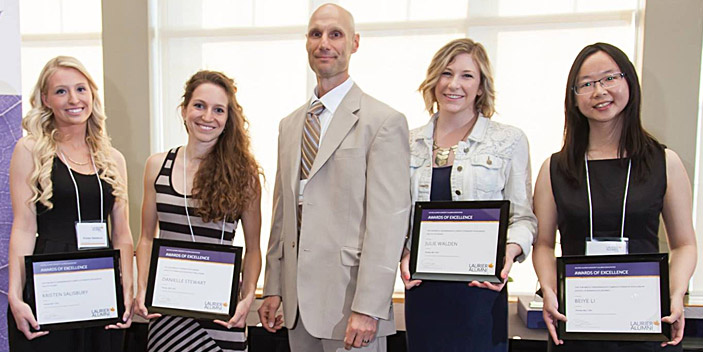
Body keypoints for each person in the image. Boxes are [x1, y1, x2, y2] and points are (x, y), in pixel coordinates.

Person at [257, 3, 410, 352]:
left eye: (335, 34)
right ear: (307, 43)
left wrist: (368, 308)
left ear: (354, 43)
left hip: (351, 308)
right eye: (316, 34)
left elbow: (389, 224)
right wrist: (275, 288)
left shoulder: (382, 121)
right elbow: (282, 215)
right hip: (296, 307)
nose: (324, 42)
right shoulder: (290, 125)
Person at [533, 42, 697, 352]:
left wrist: (676, 294)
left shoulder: (665, 162)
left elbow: (684, 244)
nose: (599, 91)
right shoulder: (554, 168)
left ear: (629, 83)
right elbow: (542, 243)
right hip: (577, 324)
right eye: (587, 84)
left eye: (610, 78)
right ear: (574, 97)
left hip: (647, 321)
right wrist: (549, 289)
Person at [398, 38, 537, 351]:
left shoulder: (509, 141)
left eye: (466, 75)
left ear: (481, 85)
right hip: (423, 291)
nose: (453, 84)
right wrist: (402, 254)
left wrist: (509, 253)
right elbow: (392, 219)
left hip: (482, 293)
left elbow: (524, 218)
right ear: (434, 80)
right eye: (446, 74)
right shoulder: (405, 143)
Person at [7, 56, 133, 351]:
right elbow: (24, 228)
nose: (73, 99)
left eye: (81, 89)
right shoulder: (29, 150)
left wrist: (127, 287)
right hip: (50, 285)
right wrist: (15, 295)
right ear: (45, 99)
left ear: (92, 95)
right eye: (61, 91)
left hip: (102, 287)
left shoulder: (113, 158)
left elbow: (122, 233)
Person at [134, 70, 262, 352]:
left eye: (218, 110)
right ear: (184, 110)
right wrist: (142, 287)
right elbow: (145, 238)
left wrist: (248, 296)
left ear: (228, 119)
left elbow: (253, 249)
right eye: (199, 106)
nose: (207, 117)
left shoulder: (244, 175)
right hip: (167, 312)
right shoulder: (157, 166)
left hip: (220, 314)